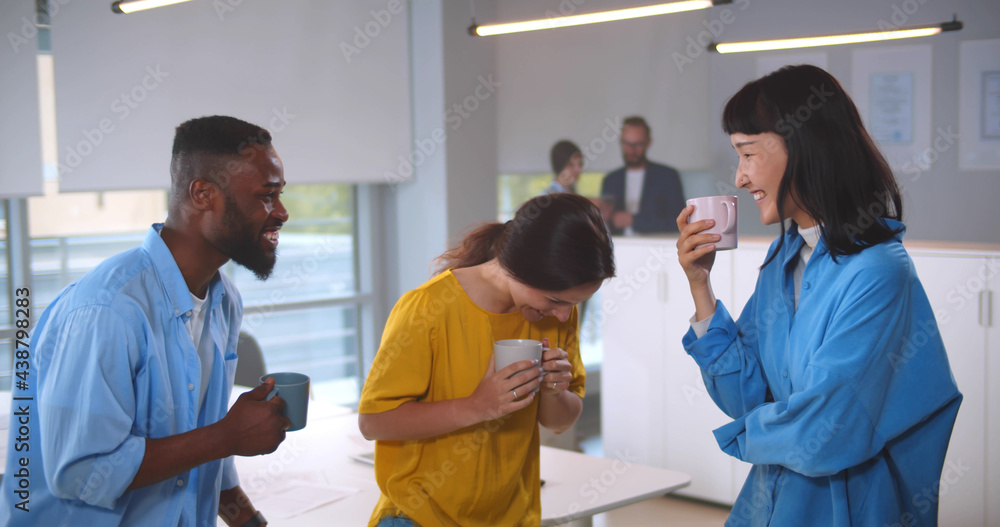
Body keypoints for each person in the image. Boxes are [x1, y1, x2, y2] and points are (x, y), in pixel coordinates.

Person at [675, 65, 961, 526]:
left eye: (748, 154)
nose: (740, 178)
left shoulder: (878, 272)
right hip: (771, 502)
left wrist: (744, 436)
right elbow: (746, 397)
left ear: (804, 147)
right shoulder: (784, 258)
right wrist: (699, 285)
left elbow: (827, 431)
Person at [0, 116, 292, 527]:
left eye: (280, 195)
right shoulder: (106, 310)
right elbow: (81, 474)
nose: (282, 212)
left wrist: (250, 521)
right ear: (203, 195)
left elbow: (205, 447)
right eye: (267, 196)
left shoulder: (224, 299)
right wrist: (226, 436)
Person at [357, 193, 615, 527]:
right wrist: (478, 406)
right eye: (555, 300)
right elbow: (373, 422)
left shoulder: (554, 315)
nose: (564, 315)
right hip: (419, 516)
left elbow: (559, 422)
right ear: (519, 266)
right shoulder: (428, 309)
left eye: (574, 304)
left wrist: (554, 391)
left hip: (511, 517)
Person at [601, 116, 685, 235]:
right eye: (626, 144)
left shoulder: (667, 177)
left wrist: (634, 221)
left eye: (638, 144)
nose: (631, 150)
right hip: (618, 244)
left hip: (656, 244)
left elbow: (679, 221)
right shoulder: (610, 180)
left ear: (648, 142)